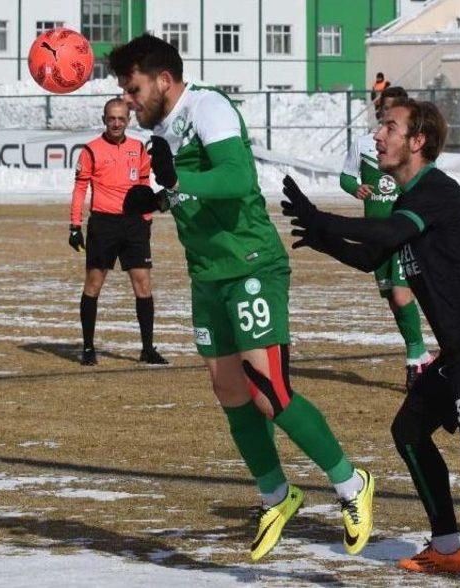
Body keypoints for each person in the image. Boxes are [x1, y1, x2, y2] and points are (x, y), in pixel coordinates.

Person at [107, 34, 374, 561]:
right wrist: (159, 197)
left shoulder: (207, 106)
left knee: (268, 388)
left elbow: (236, 177)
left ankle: (351, 483)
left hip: (252, 264)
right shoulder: (162, 128)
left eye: (133, 88)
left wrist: (174, 177)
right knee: (229, 391)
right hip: (207, 274)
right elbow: (190, 189)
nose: (128, 100)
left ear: (163, 79)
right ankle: (277, 494)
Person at [279, 98, 460, 587]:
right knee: (409, 432)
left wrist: (324, 217)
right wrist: (321, 236)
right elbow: (374, 256)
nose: (378, 136)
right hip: (459, 350)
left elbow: (386, 230)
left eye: (389, 127)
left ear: (417, 141)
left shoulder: (437, 192)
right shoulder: (410, 202)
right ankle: (448, 548)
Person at [340, 85, 433, 391]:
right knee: (393, 300)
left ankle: (415, 360)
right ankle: (422, 354)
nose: (385, 118)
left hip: (402, 233)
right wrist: (356, 188)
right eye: (383, 112)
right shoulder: (365, 144)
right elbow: (345, 176)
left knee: (400, 294)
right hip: (376, 236)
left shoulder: (410, 147)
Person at [69, 98, 168, 367]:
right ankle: (88, 348)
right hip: (103, 225)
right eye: (111, 118)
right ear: (104, 119)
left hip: (134, 225)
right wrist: (75, 226)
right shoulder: (90, 151)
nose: (116, 123)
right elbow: (80, 189)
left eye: (121, 119)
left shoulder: (138, 148)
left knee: (143, 284)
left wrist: (146, 216)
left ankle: (147, 349)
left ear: (128, 120)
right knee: (93, 284)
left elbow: (144, 182)